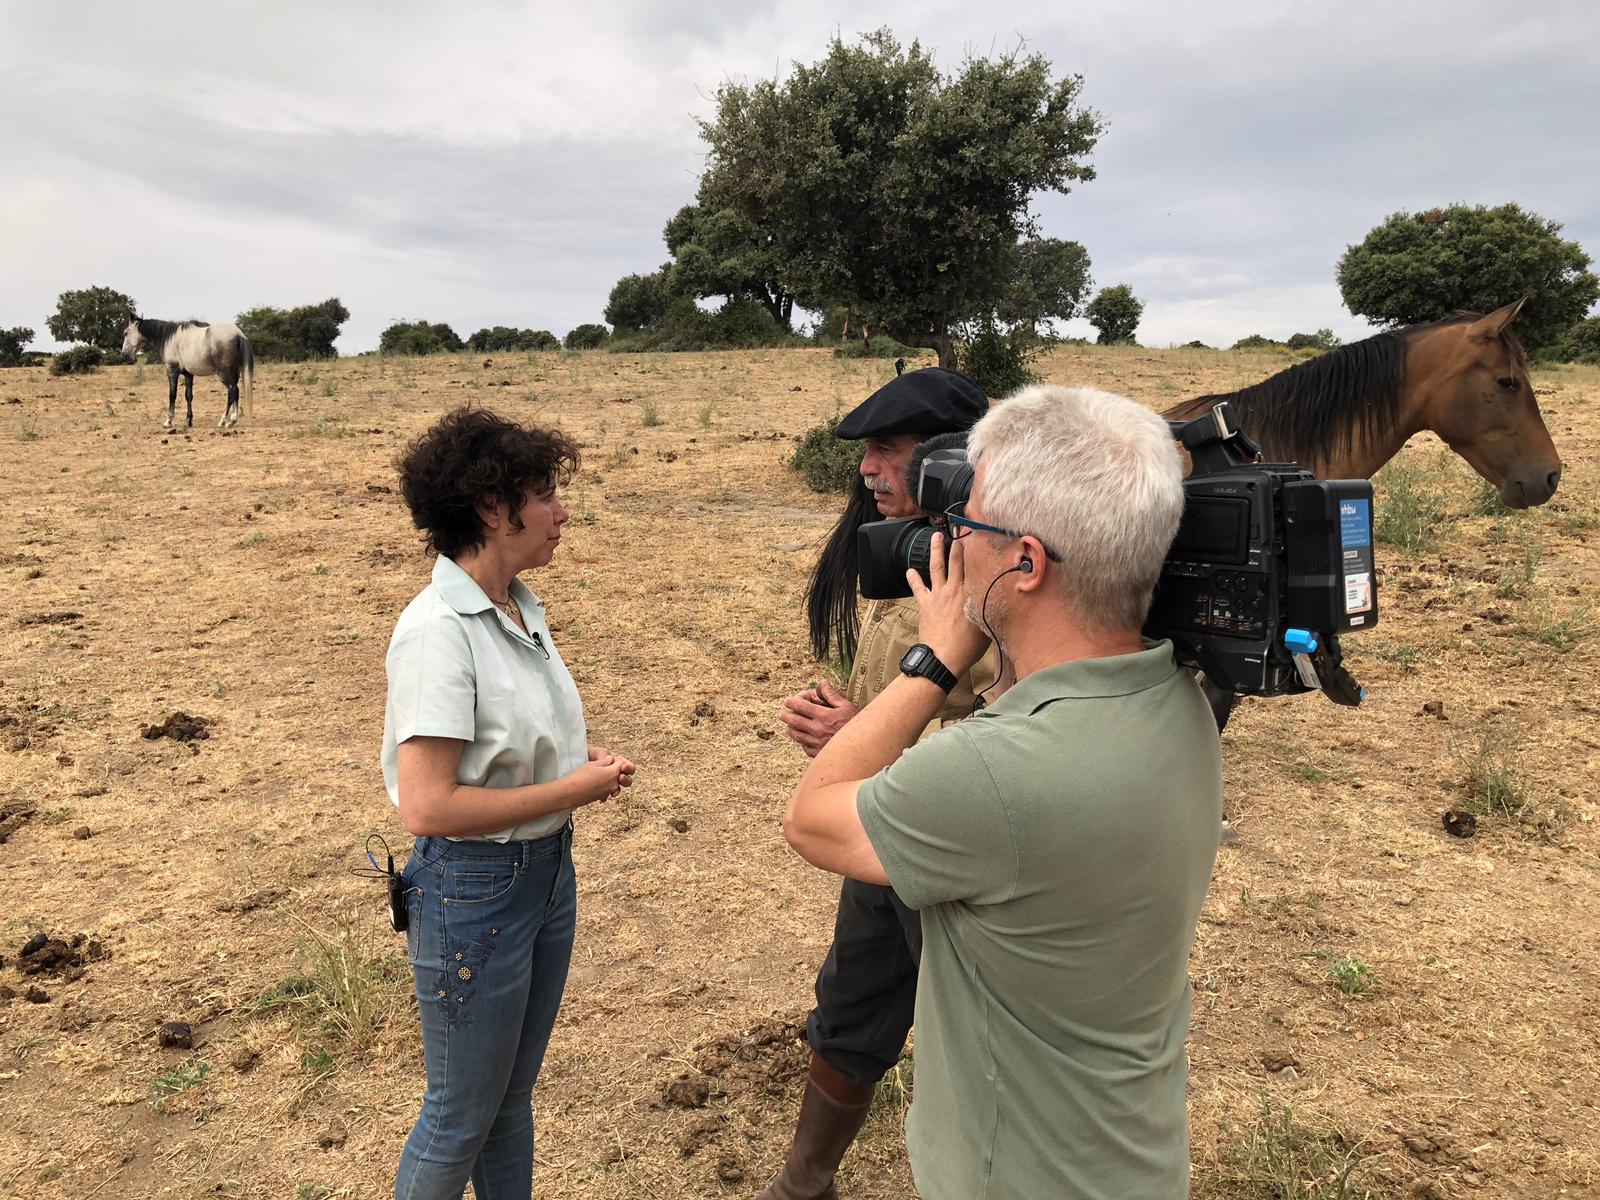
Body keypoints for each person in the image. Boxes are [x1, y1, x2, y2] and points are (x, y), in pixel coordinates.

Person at [783, 384, 1223, 1199]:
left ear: (1024, 561)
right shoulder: (1176, 700)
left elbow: (810, 819)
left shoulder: (990, 772)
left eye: (967, 523)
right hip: (1130, 1161)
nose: (945, 541)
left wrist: (936, 658)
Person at [382, 407, 636, 1200]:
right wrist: (572, 788)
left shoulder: (519, 608)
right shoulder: (437, 632)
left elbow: (495, 749)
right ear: (494, 509)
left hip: (542, 874)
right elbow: (427, 807)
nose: (561, 514)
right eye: (545, 494)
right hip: (473, 889)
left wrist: (570, 758)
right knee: (460, 1113)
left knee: (507, 1101)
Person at [763, 367, 995, 1200]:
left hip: (957, 850)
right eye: (867, 452)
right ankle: (801, 1185)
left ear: (949, 459)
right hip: (881, 829)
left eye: (887, 451)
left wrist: (865, 743)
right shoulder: (909, 553)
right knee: (852, 1008)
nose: (868, 471)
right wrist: (850, 726)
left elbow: (1021, 732)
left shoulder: (1004, 572)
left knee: (977, 1040)